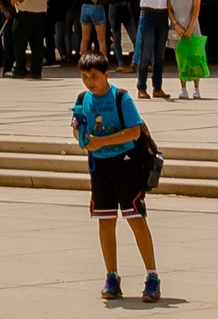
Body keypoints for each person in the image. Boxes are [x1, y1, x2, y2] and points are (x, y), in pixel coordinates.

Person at [74, 49, 161, 303]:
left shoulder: (121, 98)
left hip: (126, 164)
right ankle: (111, 276)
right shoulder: (82, 99)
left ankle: (152, 276)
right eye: (85, 76)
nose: (90, 81)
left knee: (136, 219)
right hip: (99, 168)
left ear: (106, 74)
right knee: (105, 221)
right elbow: (80, 133)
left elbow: (133, 132)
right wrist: (80, 136)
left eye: (94, 76)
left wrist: (101, 141)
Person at [167, 0, 205, 99]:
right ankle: (183, 88)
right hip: (177, 28)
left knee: (195, 58)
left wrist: (190, 27)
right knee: (181, 59)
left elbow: (196, 8)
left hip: (192, 27)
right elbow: (169, 9)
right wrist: (175, 24)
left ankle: (196, 88)